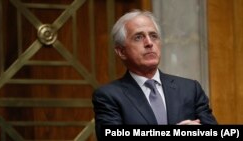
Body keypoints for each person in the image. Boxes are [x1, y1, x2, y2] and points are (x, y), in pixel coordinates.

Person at [92, 9, 217, 140]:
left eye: (153, 36)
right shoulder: (108, 96)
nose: (149, 43)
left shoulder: (190, 89)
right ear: (121, 51)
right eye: (138, 37)